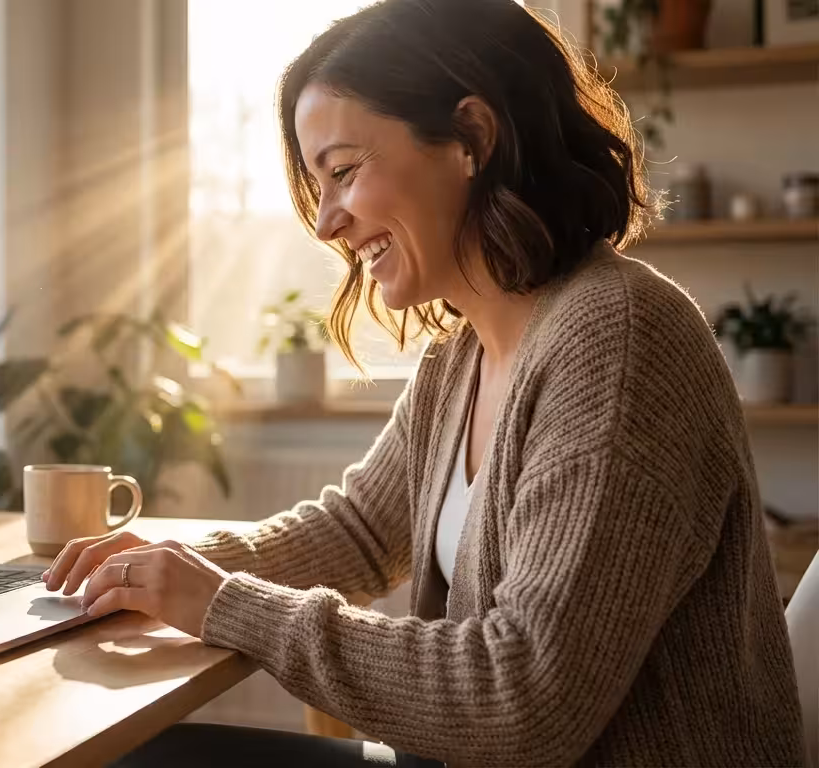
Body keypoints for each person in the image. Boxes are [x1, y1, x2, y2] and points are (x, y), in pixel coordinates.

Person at [44, 1, 806, 765]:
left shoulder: (621, 338)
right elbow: (358, 533)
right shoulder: (462, 355)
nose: (326, 223)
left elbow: (524, 697)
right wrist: (154, 570)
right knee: (143, 754)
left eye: (342, 170)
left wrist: (221, 603)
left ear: (471, 137)